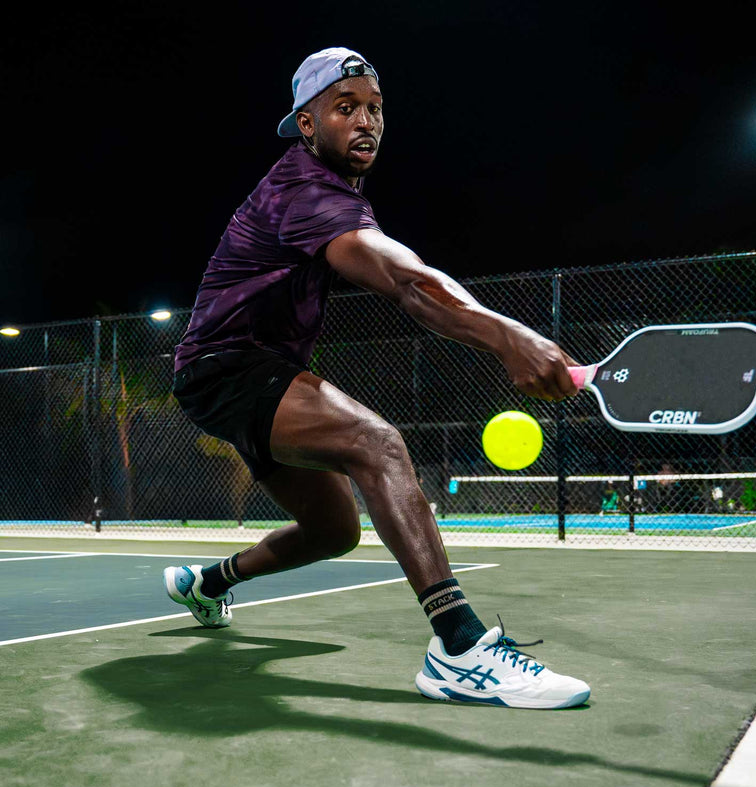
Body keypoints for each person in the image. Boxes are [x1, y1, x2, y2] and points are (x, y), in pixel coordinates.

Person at [163, 47, 590, 709]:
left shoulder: (332, 193)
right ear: (307, 124)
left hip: (255, 374)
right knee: (379, 443)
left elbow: (407, 285)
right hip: (226, 368)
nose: (366, 122)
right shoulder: (302, 187)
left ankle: (206, 582)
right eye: (345, 109)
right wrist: (510, 336)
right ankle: (460, 648)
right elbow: (407, 283)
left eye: (375, 109)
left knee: (334, 531)